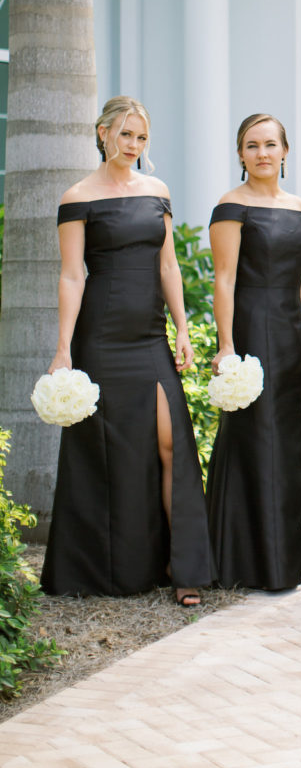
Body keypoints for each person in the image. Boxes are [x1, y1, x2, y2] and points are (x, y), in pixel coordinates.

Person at [41, 97, 213, 604]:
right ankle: (107, 569)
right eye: (125, 135)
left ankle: (184, 567)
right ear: (102, 133)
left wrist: (182, 328)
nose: (133, 146)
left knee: (170, 441)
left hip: (149, 335)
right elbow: (72, 275)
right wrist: (63, 350)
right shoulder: (77, 197)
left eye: (141, 137)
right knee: (105, 451)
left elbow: (168, 267)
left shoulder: (156, 191)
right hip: (100, 334)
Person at [205, 114, 301, 590]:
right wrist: (227, 345)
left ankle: (285, 561)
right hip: (252, 326)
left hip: (291, 331)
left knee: (286, 440)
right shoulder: (231, 206)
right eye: (252, 146)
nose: (263, 153)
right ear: (240, 155)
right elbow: (225, 279)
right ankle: (245, 561)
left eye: (271, 144)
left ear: (285, 151)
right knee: (254, 436)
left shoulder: (298, 205)